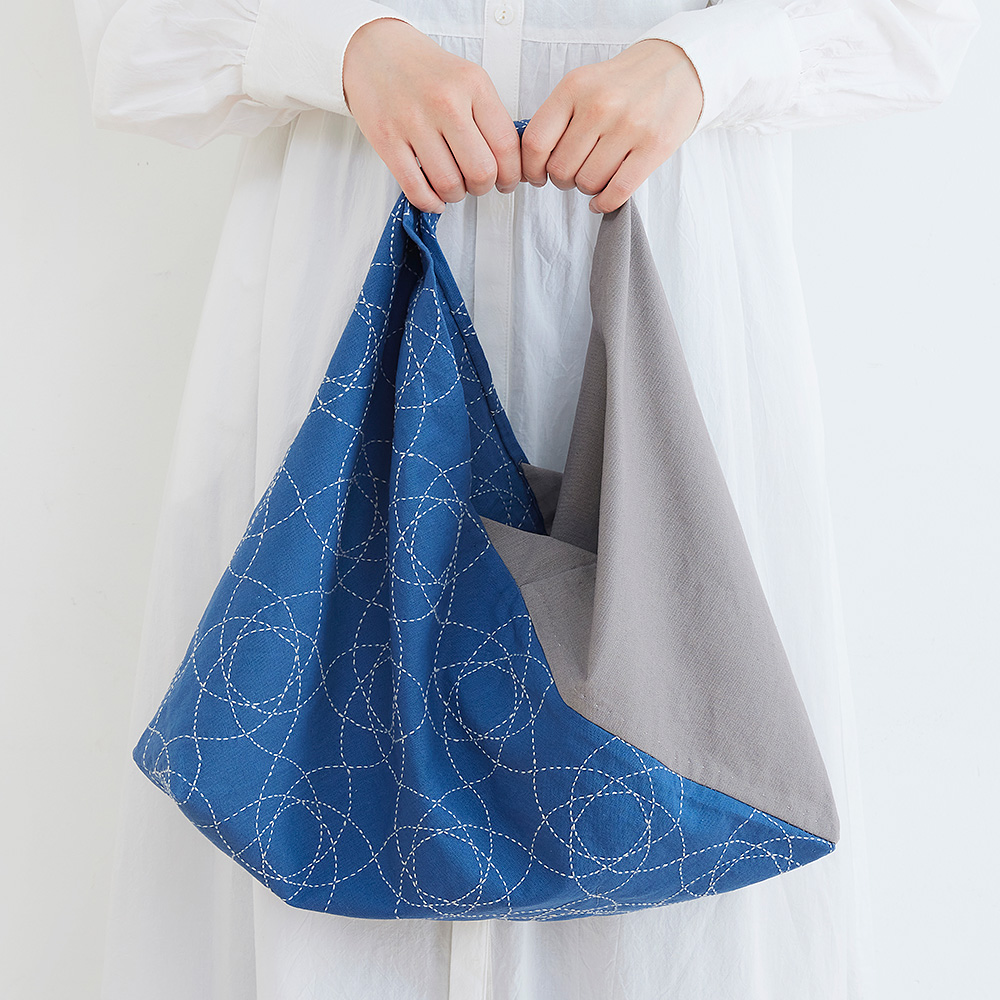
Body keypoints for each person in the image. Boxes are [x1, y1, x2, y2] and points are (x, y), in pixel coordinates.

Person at [73, 2, 980, 998]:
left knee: (674, 806)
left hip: (669, 268)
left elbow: (923, 23)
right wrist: (344, 47)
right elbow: (126, 36)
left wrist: (703, 63)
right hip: (346, 254)